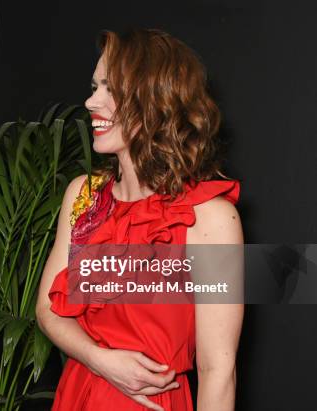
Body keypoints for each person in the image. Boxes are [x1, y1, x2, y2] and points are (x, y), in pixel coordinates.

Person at [36, 29, 244, 411]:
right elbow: (47, 310)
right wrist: (100, 360)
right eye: (94, 86)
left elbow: (218, 370)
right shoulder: (83, 195)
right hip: (79, 393)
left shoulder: (210, 217)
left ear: (155, 101)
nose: (90, 101)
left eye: (109, 89)